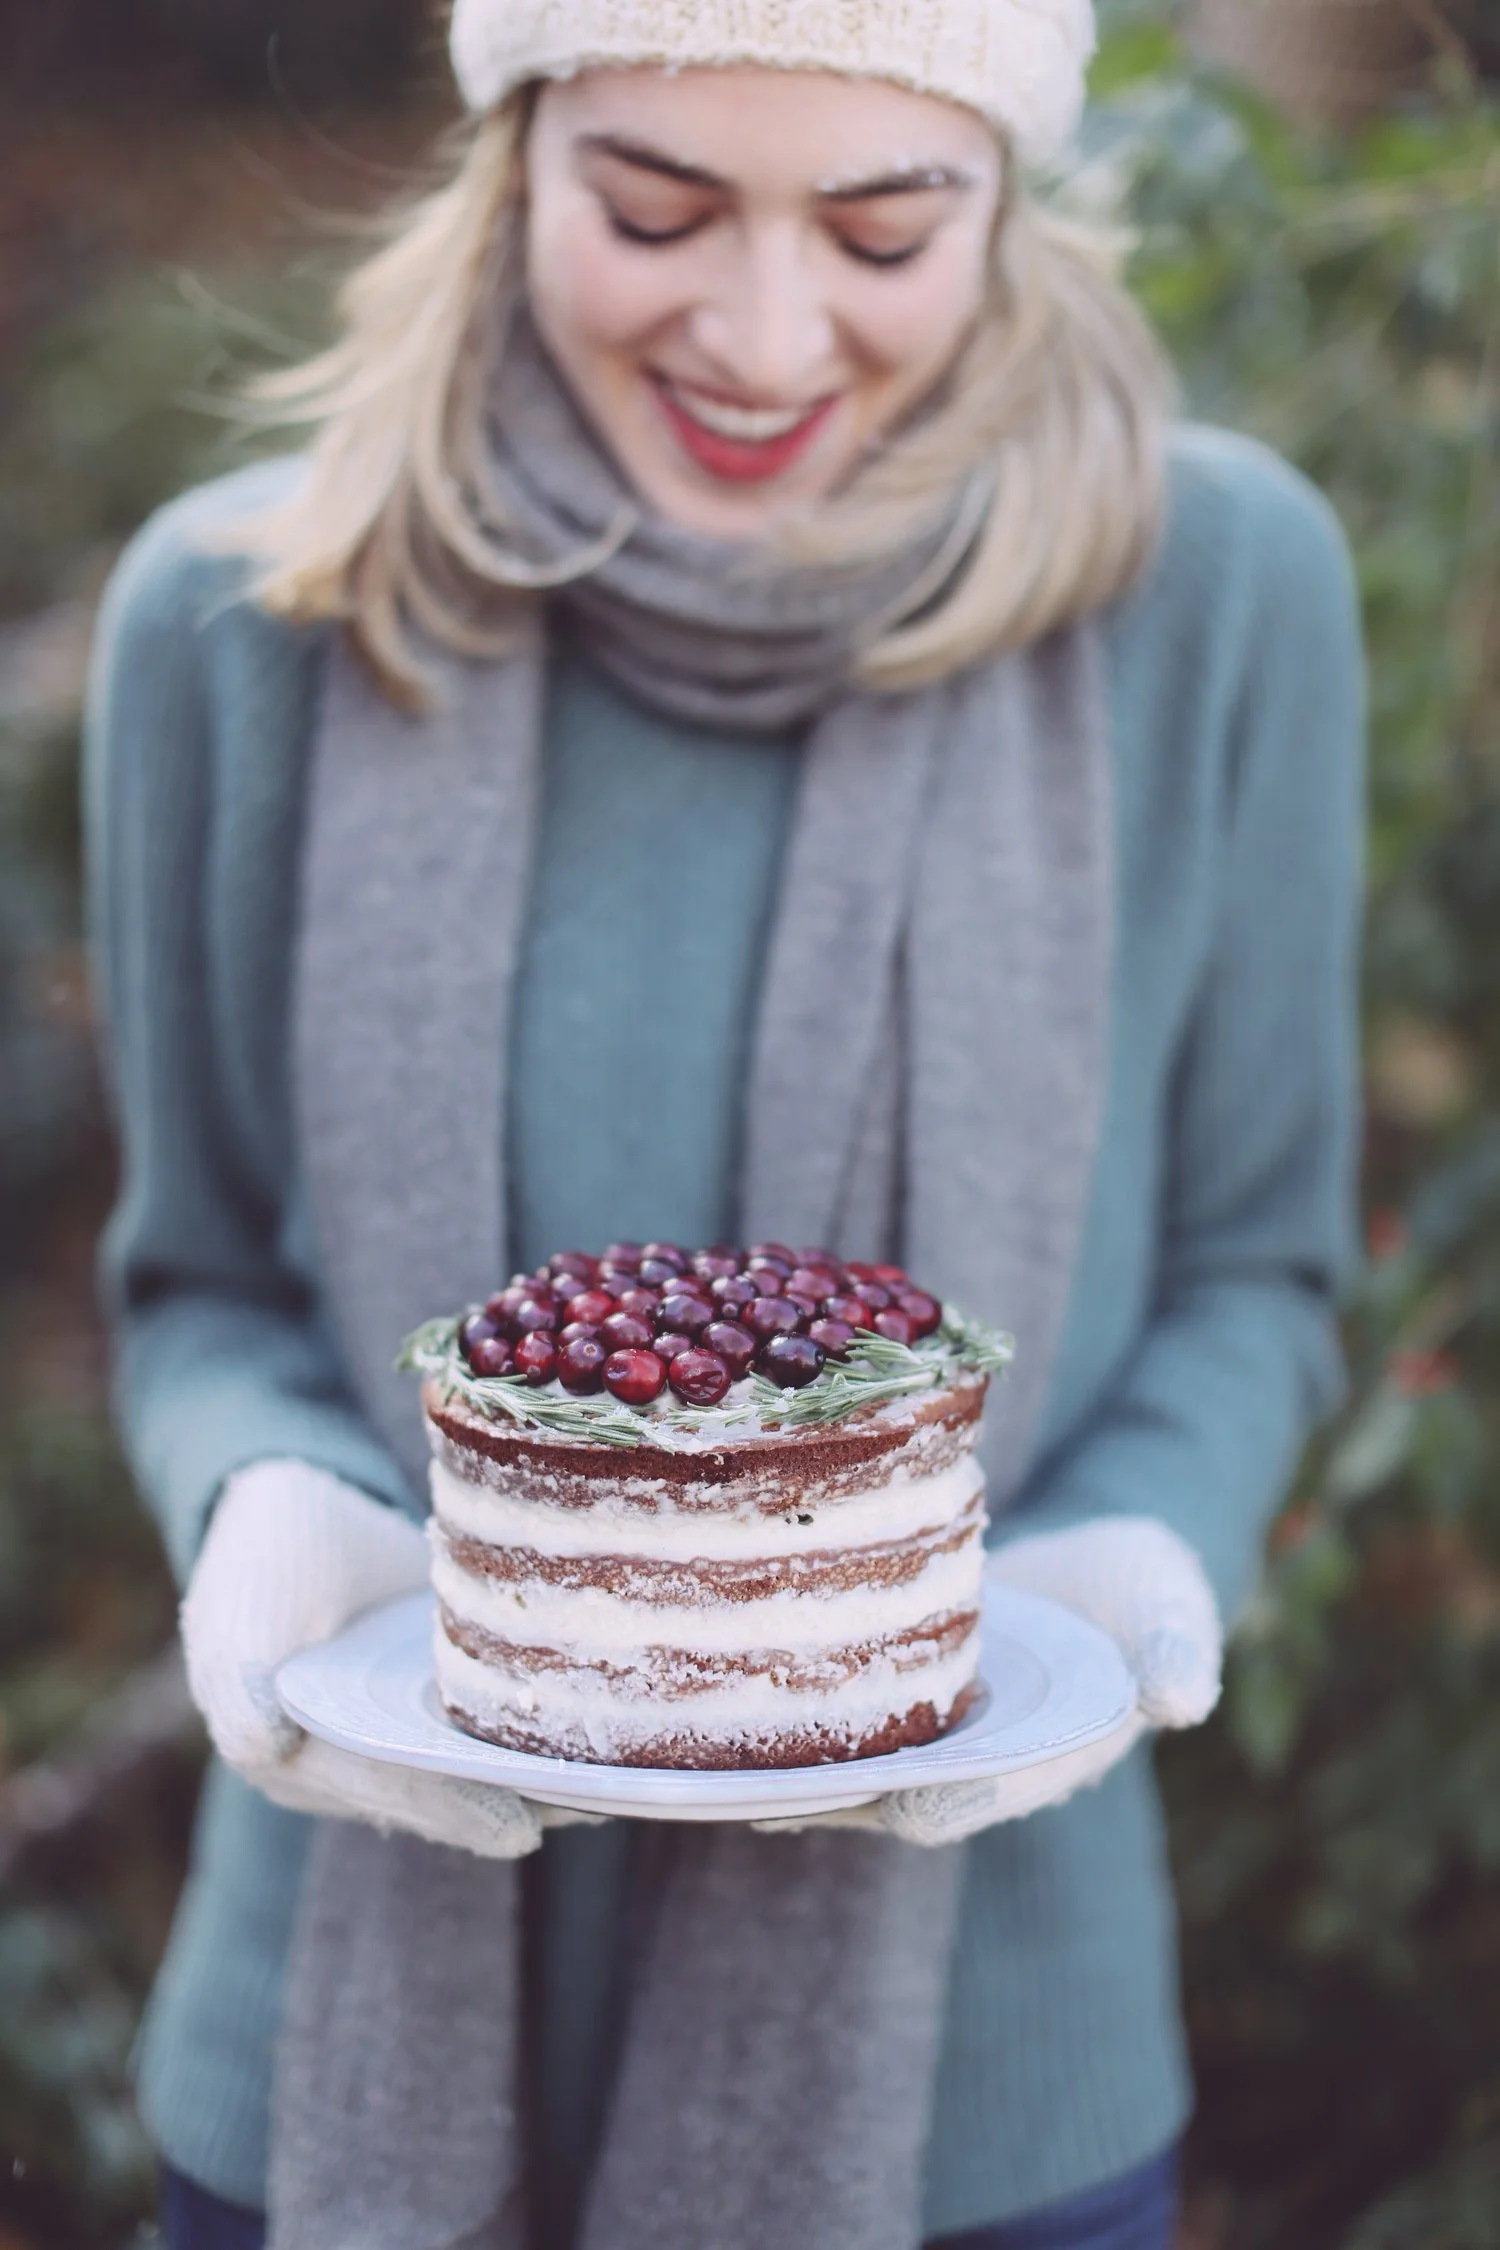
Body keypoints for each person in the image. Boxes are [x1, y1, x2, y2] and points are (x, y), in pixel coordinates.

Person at [84, 2, 1365, 2246]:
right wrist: (270, 1513)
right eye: (655, 210)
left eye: (886, 229)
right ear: (516, 153)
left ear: (1013, 198)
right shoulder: (235, 614)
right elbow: (196, 1280)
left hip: (985, 2081)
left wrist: (1132, 1553)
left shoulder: (1218, 593)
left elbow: (1260, 1261)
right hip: (341, 2048)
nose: (767, 337)